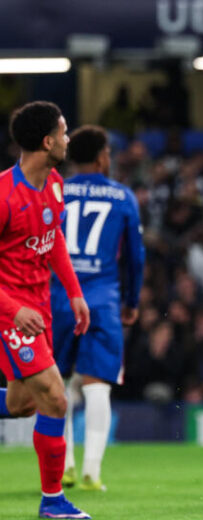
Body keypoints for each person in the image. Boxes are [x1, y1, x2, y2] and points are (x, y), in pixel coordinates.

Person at [0, 101, 92, 519]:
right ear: (47, 141)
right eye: (64, 130)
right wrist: (13, 310)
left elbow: (52, 237)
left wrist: (74, 293)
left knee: (22, 404)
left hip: (39, 308)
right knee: (56, 398)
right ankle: (53, 502)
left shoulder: (55, 182)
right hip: (10, 310)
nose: (68, 138)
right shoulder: (3, 195)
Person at [50, 125, 145, 493]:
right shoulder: (122, 196)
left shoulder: (55, 190)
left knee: (55, 386)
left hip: (57, 297)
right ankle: (91, 470)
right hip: (102, 299)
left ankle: (65, 467)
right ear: (103, 157)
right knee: (97, 384)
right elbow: (135, 257)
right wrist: (132, 302)